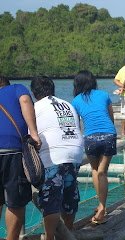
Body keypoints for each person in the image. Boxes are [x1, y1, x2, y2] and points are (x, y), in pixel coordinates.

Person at [30, 76, 84, 240]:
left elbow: (30, 134)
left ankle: (49, 237)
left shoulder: (35, 107)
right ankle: (67, 232)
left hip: (54, 154)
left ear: (34, 93)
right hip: (75, 151)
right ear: (53, 90)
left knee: (51, 199)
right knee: (70, 192)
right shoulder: (67, 104)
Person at [72, 70, 117, 224]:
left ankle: (101, 207)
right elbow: (111, 117)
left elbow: (76, 125)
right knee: (103, 172)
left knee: (95, 170)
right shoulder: (104, 95)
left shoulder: (76, 101)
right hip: (108, 135)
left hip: (90, 137)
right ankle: (102, 207)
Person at [0, 76, 41, 240]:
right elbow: (25, 101)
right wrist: (34, 133)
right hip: (12, 149)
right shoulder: (17, 88)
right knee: (15, 202)